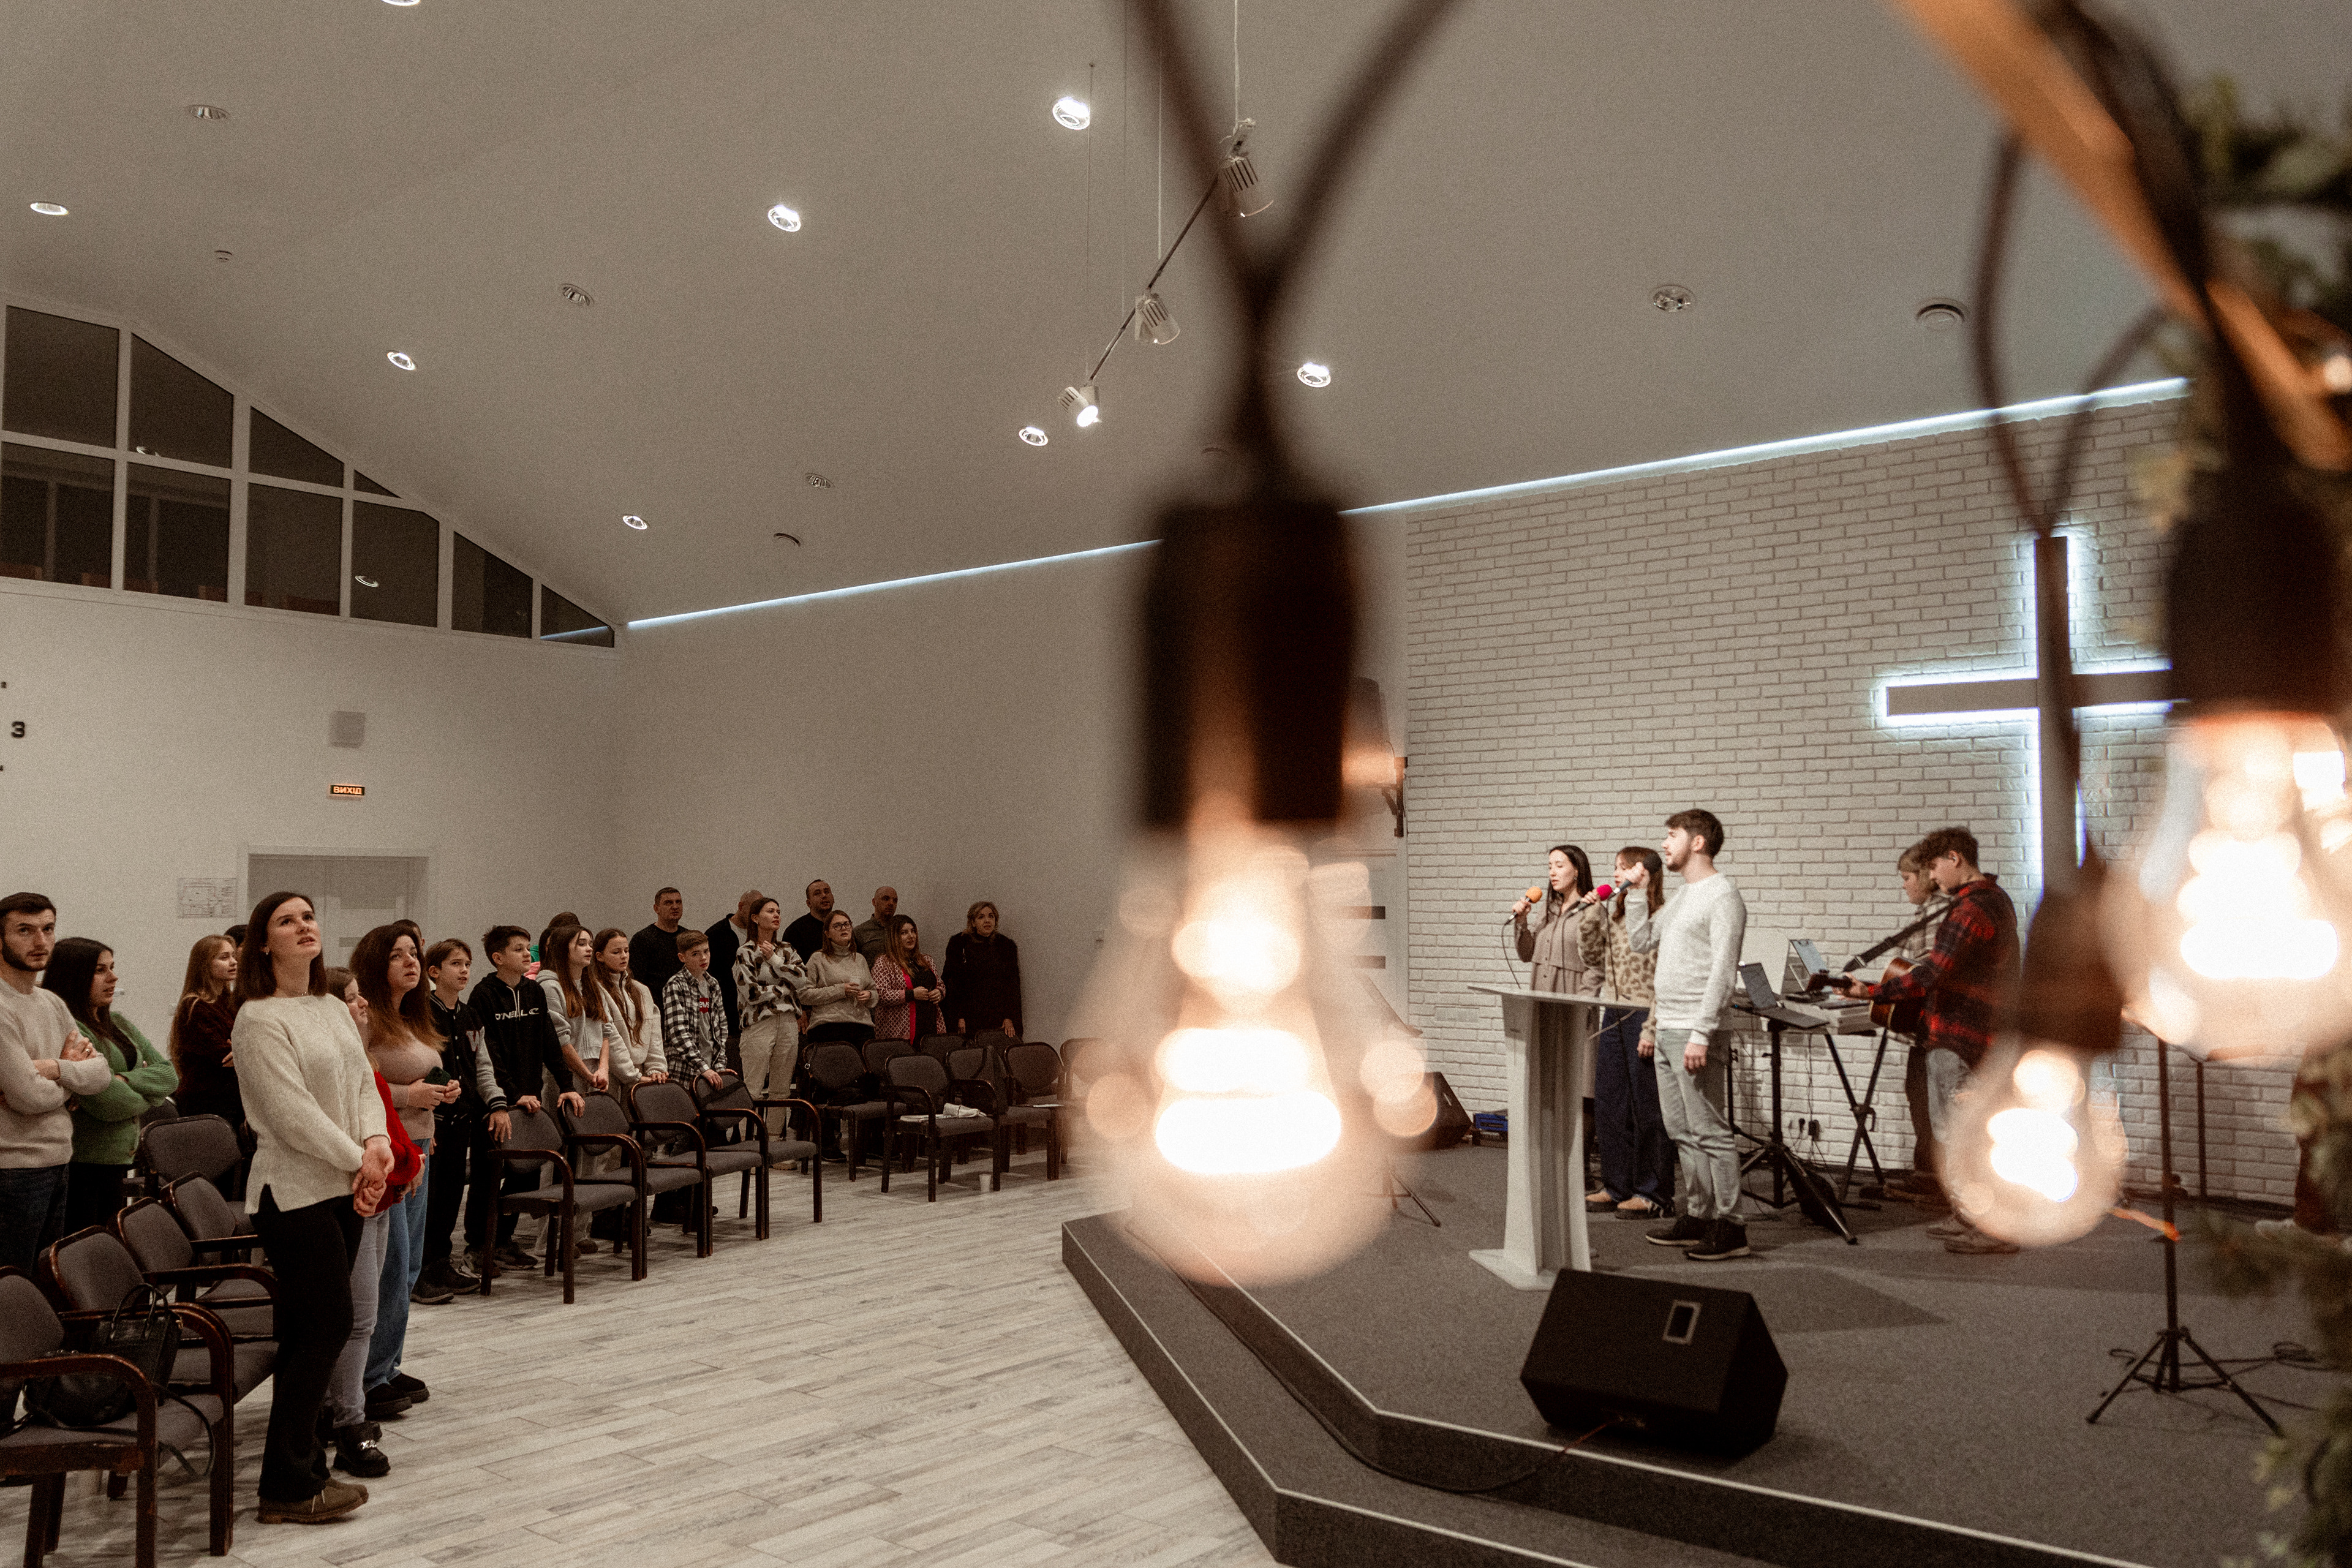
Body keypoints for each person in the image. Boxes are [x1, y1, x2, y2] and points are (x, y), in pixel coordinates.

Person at [233, 891, 391, 1525]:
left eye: (308, 917)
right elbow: (289, 1114)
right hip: (293, 1192)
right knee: (326, 1327)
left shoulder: (329, 1004)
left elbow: (363, 1082)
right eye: (286, 921)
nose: (304, 926)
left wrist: (376, 1141)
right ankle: (289, 1482)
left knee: (311, 1333)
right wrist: (361, 1159)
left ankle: (294, 1475)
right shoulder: (258, 1019)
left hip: (343, 1185)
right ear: (263, 943)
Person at [1834, 825, 2021, 1256]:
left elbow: (1933, 972)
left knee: (1962, 1135)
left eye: (1934, 867)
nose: (1932, 878)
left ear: (1955, 858)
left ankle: (1992, 1228)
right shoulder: (1994, 899)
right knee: (1960, 1132)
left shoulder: (1971, 909)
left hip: (1959, 1036)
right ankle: (1971, 1216)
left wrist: (1871, 991)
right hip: (1976, 1033)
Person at [1632, 810, 1752, 1263]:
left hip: (1695, 1029)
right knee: (1681, 1130)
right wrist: (1639, 894)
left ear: (1697, 842)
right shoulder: (1683, 895)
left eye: (1672, 835)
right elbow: (1642, 942)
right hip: (1667, 1025)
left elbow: (1723, 971)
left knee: (1710, 1131)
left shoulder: (1723, 895)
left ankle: (1732, 1225)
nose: (1664, 844)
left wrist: (1702, 1033)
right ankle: (1699, 1215)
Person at [353, 926, 456, 1426]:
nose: (411, 962)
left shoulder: (411, 1015)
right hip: (389, 1154)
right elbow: (359, 1086)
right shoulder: (366, 1017)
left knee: (409, 1265)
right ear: (378, 965)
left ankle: (389, 1365)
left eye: (414, 954)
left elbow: (417, 1078)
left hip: (418, 1146)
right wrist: (409, 1097)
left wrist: (438, 1097)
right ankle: (369, 1377)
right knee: (390, 1267)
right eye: (398, 956)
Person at [0, 894, 111, 1272]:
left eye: (48, 929)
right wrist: (70, 1077)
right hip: (12, 1168)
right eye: (25, 931)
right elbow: (28, 1097)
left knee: (45, 1281)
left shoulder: (52, 1002)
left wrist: (51, 1069)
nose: (41, 941)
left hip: (59, 1159)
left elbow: (101, 1074)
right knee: (14, 1285)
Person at [469, 925, 586, 1270]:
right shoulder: (483, 995)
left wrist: (566, 1084)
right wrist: (513, 1094)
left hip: (531, 1098)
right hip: (497, 1103)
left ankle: (504, 1240)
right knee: (489, 1175)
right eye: (518, 949)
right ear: (498, 958)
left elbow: (550, 1042)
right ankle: (478, 1245)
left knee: (526, 1174)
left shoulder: (534, 991)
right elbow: (488, 1054)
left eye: (528, 948)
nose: (527, 954)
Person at [43, 938, 177, 1236]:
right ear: (73, 976)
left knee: (112, 1246)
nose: (113, 978)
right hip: (82, 1162)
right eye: (100, 970)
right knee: (83, 1249)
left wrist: (124, 1080)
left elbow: (170, 1076)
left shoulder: (119, 1023)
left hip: (118, 1160)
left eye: (112, 968)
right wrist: (146, 1093)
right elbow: (109, 1104)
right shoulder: (70, 1029)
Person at [1580, 848, 1674, 1218]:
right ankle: (1616, 1185)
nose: (1616, 874)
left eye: (1623, 868)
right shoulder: (1616, 916)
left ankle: (1652, 1193)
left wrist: (1652, 1027)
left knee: (1648, 1109)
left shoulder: (1660, 917)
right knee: (1610, 1103)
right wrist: (1593, 912)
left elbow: (1665, 979)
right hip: (1614, 1012)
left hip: (1645, 1015)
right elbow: (1591, 957)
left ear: (1643, 873)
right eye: (1615, 868)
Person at [417, 938, 504, 1299]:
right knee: (428, 1199)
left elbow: (482, 1067)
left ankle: (441, 1263)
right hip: (431, 1120)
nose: (464, 970)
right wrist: (426, 1115)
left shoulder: (470, 1015)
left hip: (462, 1118)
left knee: (451, 1196)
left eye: (467, 964)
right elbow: (419, 1067)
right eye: (456, 964)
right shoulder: (422, 1013)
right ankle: (419, 1272)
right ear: (434, 972)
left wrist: (497, 1103)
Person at [537, 924, 620, 1251]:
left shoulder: (591, 983)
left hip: (594, 1074)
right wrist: (586, 1072)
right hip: (564, 1077)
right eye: (581, 944)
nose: (588, 949)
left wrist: (602, 1069)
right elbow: (559, 1040)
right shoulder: (549, 985)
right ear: (563, 949)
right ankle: (550, 1238)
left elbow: (606, 1031)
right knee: (560, 1155)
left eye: (589, 943)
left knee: (589, 1154)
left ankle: (579, 1231)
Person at [1887, 840, 1954, 1204]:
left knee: (1930, 1103)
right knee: (1920, 1099)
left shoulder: (1938, 912)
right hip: (1924, 1030)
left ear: (1926, 877)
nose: (1904, 885)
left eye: (1907, 877)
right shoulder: (1928, 912)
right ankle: (1927, 1176)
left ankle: (1936, 1183)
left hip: (1933, 1028)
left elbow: (1928, 968)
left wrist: (1880, 993)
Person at [732, 900, 804, 1128]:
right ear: (755, 918)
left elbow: (803, 980)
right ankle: (748, 1140)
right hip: (759, 1022)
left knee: (782, 1088)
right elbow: (752, 993)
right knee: (753, 1087)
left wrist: (774, 960)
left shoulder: (786, 949)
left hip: (788, 1021)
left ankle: (774, 1138)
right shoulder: (746, 952)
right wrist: (785, 988)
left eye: (779, 912)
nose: (776, 915)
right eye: (770, 911)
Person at [170, 933, 244, 1129]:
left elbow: (245, 1046)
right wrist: (241, 1050)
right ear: (204, 965)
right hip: (206, 1099)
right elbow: (224, 1057)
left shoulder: (229, 1001)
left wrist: (241, 1049)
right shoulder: (195, 1006)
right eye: (224, 957)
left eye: (233, 956)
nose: (233, 962)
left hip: (231, 1095)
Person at [1513, 845, 1604, 995]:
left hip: (1574, 998)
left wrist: (1584, 1001)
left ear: (1577, 870)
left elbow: (1598, 967)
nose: (1552, 872)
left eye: (1559, 866)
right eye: (1550, 867)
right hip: (1540, 997)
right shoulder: (1548, 908)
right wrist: (1521, 921)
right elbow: (1526, 955)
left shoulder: (1593, 910)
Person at [594, 928, 669, 1093]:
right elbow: (610, 1039)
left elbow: (654, 1033)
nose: (623, 956)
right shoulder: (596, 990)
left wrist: (656, 1068)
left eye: (626, 951)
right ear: (600, 956)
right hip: (612, 1075)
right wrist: (631, 1074)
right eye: (616, 952)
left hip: (641, 1074)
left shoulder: (641, 990)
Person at [942, 902, 1022, 1041]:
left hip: (998, 1016)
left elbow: (1012, 986)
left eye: (991, 916)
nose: (987, 921)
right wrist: (958, 1016)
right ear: (973, 922)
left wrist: (1009, 1017)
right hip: (968, 1017)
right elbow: (951, 983)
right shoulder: (959, 943)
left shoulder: (1006, 946)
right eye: (981, 917)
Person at [662, 931, 732, 1087]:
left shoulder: (713, 984)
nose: (703, 958)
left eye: (706, 951)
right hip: (685, 1069)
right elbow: (678, 1031)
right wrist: (702, 1067)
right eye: (696, 954)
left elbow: (721, 1028)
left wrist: (720, 1066)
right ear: (682, 958)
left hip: (711, 1066)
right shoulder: (676, 985)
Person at [801, 911, 875, 1050]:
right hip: (828, 1026)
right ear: (827, 933)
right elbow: (804, 995)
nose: (844, 928)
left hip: (862, 1024)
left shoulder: (860, 959)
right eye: (837, 926)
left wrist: (869, 995)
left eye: (847, 924)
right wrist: (841, 990)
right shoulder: (818, 959)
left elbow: (874, 991)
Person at [870, 915, 944, 1044]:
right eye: (904, 933)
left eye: (913, 931)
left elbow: (941, 984)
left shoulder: (927, 960)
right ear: (894, 937)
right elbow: (879, 994)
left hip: (931, 1025)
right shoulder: (884, 963)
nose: (911, 936)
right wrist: (911, 994)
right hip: (900, 1031)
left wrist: (939, 993)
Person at [705, 890, 764, 1048]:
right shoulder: (716, 934)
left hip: (757, 1011)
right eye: (753, 910)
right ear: (741, 906)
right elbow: (709, 978)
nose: (756, 916)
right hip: (728, 1011)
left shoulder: (762, 933)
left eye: (760, 911)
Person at [628, 887, 688, 995]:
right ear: (656, 909)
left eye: (678, 902)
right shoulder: (642, 939)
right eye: (668, 903)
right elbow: (635, 981)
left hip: (686, 1001)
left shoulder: (688, 937)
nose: (675, 907)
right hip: (655, 1003)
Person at [782, 880, 835, 965]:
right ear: (809, 903)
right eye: (817, 893)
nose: (824, 896)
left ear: (833, 898)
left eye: (827, 892)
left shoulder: (843, 926)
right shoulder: (795, 931)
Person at [852, 888, 899, 962]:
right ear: (874, 902)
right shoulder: (859, 932)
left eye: (895, 901)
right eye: (886, 899)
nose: (891, 903)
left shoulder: (901, 930)